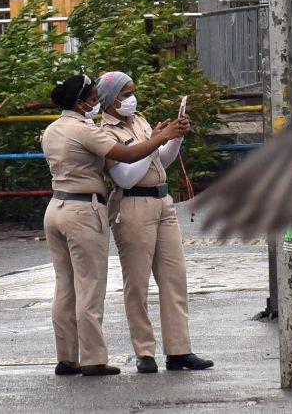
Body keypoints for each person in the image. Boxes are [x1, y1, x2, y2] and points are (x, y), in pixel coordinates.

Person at [42, 74, 185, 377]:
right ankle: (93, 359)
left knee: (65, 287)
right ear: (81, 103)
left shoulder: (52, 129)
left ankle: (67, 358)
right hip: (83, 209)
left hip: (56, 207)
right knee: (90, 288)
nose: (97, 103)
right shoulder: (88, 131)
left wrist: (161, 138)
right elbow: (127, 157)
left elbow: (146, 155)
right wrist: (158, 139)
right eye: (94, 99)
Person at [97, 71, 213, 374]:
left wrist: (173, 139)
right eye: (124, 95)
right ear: (110, 101)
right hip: (133, 204)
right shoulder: (105, 132)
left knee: (174, 278)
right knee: (136, 282)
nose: (131, 99)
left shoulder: (139, 121)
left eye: (132, 92)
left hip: (163, 201)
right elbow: (125, 176)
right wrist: (155, 141)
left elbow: (160, 159)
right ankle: (144, 351)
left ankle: (179, 350)